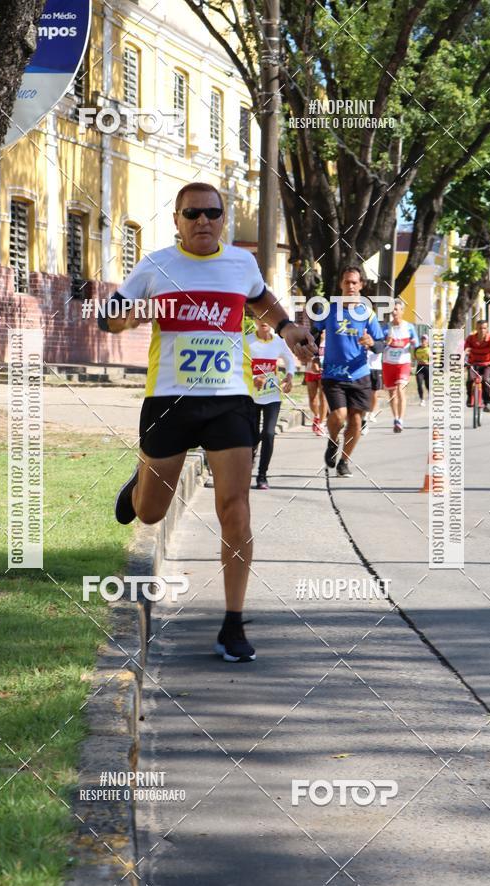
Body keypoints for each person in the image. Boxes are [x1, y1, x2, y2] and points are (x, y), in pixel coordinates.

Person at [97, 182, 316, 662]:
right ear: (177, 220)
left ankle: (233, 624)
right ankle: (139, 484)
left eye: (212, 213)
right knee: (151, 512)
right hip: (169, 401)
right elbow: (110, 316)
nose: (203, 221)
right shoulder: (155, 265)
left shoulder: (240, 263)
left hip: (229, 402)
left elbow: (262, 300)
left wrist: (288, 329)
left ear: (223, 219)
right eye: (192, 213)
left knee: (235, 509)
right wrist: (126, 318)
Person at [312, 266, 386, 477]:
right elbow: (314, 334)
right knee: (339, 415)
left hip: (359, 373)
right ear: (341, 284)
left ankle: (344, 461)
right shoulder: (328, 310)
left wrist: (372, 343)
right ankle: (333, 441)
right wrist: (314, 357)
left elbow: (380, 344)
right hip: (333, 373)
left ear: (361, 285)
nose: (351, 286)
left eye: (354, 282)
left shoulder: (367, 313)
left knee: (355, 421)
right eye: (347, 282)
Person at [246, 321, 295, 489]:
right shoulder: (246, 341)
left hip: (272, 395)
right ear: (255, 321)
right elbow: (237, 365)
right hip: (250, 396)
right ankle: (249, 457)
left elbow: (289, 360)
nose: (264, 321)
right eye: (261, 317)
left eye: (268, 318)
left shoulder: (278, 342)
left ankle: (262, 475)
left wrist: (289, 375)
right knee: (251, 437)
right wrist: (253, 379)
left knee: (268, 434)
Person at [382, 300, 419, 432]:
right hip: (388, 363)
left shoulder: (409, 327)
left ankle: (400, 420)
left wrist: (415, 344)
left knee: (400, 389)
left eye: (397, 309)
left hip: (403, 363)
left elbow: (417, 344)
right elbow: (380, 345)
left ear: (402, 311)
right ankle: (396, 417)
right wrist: (387, 342)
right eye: (393, 310)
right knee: (392, 393)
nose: (394, 312)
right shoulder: (386, 328)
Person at [464, 319, 490, 410]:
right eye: (480, 328)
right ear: (476, 328)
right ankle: (470, 398)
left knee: (486, 380)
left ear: (487, 329)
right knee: (470, 380)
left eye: (484, 328)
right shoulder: (470, 338)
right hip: (473, 363)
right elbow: (466, 350)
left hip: (487, 364)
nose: (482, 330)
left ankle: (487, 402)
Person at [304, 336, 327, 435]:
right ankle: (317, 416)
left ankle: (321, 424)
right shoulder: (312, 337)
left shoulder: (331, 339)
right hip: (311, 370)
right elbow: (305, 351)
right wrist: (313, 360)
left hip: (325, 371)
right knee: (312, 398)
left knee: (323, 397)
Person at [414, 333, 431, 406]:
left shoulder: (431, 348)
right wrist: (418, 360)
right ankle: (422, 399)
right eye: (422, 339)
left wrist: (429, 362)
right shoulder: (417, 349)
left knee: (428, 385)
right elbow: (414, 357)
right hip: (420, 367)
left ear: (427, 341)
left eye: (425, 339)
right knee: (419, 384)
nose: (423, 341)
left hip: (428, 368)